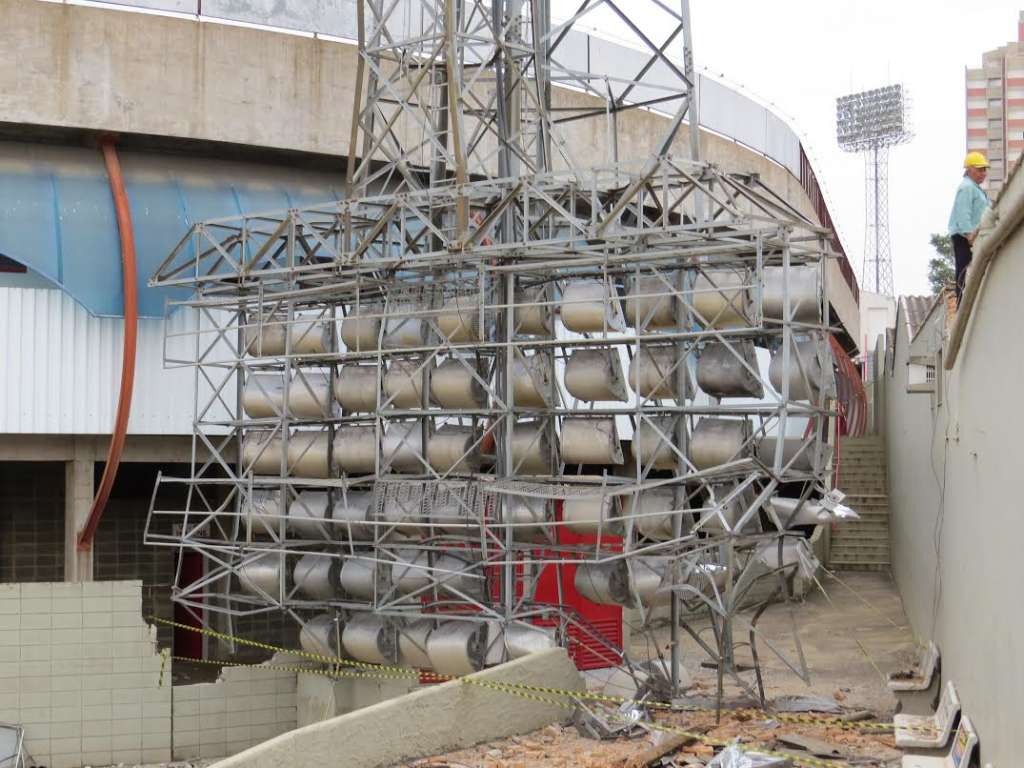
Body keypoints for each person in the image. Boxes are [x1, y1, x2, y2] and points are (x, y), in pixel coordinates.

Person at [947, 151, 991, 305]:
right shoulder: (966, 187)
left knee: (971, 269)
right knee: (964, 269)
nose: (983, 173)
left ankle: (968, 299)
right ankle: (962, 302)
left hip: (973, 235)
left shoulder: (975, 189)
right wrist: (969, 234)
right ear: (969, 169)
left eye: (984, 170)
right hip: (964, 236)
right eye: (980, 169)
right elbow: (963, 212)